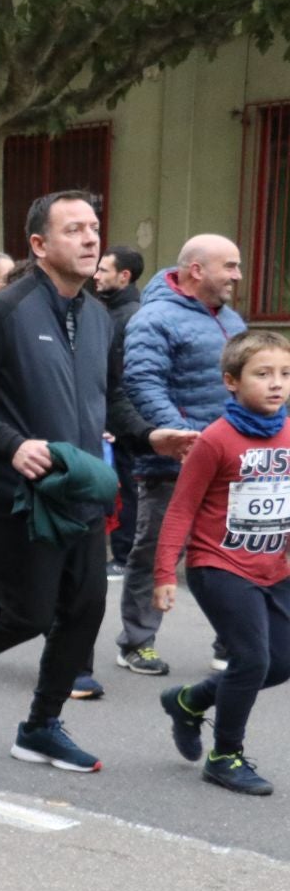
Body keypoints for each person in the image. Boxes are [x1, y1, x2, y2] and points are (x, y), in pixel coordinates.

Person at [0, 191, 196, 772]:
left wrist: (150, 436)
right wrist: (12, 445)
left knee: (87, 609)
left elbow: (111, 398)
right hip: (17, 492)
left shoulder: (98, 315)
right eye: (74, 230)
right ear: (39, 245)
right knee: (28, 614)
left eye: (94, 228)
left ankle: (41, 727)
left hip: (81, 487)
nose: (91, 239)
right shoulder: (6, 311)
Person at [152, 329, 290, 796]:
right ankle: (225, 755)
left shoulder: (289, 431)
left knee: (280, 663)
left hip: (275, 567)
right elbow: (181, 510)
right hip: (219, 565)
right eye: (263, 374)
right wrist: (165, 572)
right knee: (251, 659)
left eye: (285, 374)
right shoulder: (216, 440)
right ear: (232, 381)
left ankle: (189, 701)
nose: (277, 384)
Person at [118, 234, 247, 676]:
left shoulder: (231, 320)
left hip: (234, 463)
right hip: (175, 461)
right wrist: (188, 440)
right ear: (197, 270)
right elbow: (142, 382)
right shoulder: (154, 318)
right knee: (157, 551)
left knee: (233, 553)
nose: (238, 276)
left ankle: (231, 642)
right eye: (229, 266)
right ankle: (137, 641)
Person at [95, 245, 146, 575]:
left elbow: (121, 376)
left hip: (125, 421)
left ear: (124, 276)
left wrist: (116, 419)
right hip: (119, 417)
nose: (96, 275)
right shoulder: (110, 313)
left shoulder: (129, 318)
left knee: (128, 485)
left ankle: (125, 555)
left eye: (104, 270)